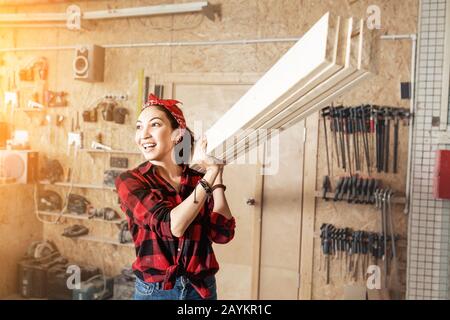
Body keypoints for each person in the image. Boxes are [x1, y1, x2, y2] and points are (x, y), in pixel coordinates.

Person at [115, 93, 236, 300]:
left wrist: (217, 180)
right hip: (155, 292)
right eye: (138, 127)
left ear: (177, 135)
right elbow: (171, 225)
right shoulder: (130, 181)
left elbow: (222, 234)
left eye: (154, 125)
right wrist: (208, 178)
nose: (143, 135)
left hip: (200, 290)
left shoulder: (199, 180)